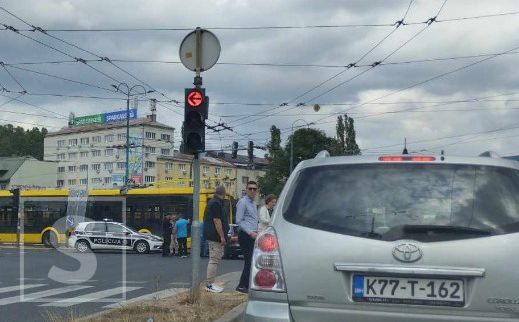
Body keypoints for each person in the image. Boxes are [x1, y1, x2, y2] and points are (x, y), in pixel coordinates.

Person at [203, 185, 229, 293]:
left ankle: (211, 283)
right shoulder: (216, 203)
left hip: (212, 235)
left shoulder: (214, 202)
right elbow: (217, 221)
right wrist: (222, 236)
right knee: (214, 260)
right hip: (215, 236)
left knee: (215, 259)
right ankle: (209, 285)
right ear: (224, 192)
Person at [235, 181, 258, 293]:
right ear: (246, 189)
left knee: (252, 261)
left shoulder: (253, 203)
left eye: (254, 189)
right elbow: (238, 220)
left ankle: (246, 284)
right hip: (246, 235)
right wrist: (250, 232)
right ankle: (241, 285)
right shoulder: (243, 202)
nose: (252, 191)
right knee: (249, 260)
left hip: (253, 235)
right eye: (250, 188)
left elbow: (253, 220)